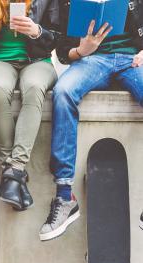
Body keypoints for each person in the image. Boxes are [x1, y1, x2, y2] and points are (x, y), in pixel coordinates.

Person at [39, 0, 143, 241]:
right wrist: (82, 50)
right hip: (92, 61)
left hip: (132, 61)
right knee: (63, 92)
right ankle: (64, 197)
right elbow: (64, 52)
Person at [0, 0, 59, 211]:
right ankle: (14, 174)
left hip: (38, 61)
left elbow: (58, 38)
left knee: (33, 88)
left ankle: (14, 168)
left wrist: (36, 31)